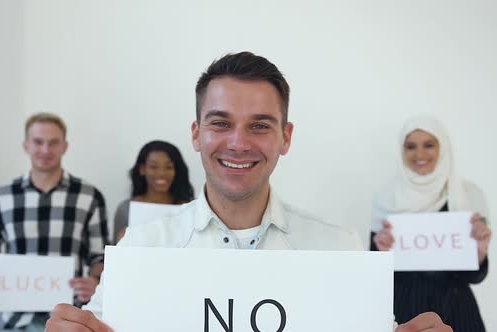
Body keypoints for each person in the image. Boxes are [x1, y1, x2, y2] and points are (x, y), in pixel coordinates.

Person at [45, 52, 452, 332]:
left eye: (259, 125)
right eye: (220, 123)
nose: (238, 143)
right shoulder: (142, 246)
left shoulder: (339, 248)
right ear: (196, 134)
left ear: (285, 137)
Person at [0, 112, 109, 331]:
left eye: (53, 143)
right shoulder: (2, 197)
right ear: (26, 145)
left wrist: (96, 281)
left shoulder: (89, 197)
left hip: (70, 320)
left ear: (65, 147)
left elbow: (100, 256)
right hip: (14, 321)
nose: (45, 150)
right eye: (38, 142)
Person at [371, 115, 492, 331]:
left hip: (456, 308)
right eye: (411, 146)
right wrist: (382, 253)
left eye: (429, 145)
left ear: (443, 148)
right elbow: (377, 275)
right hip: (404, 309)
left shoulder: (468, 196)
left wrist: (480, 254)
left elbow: (475, 275)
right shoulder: (386, 199)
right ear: (402, 151)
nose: (419, 154)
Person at [113, 140, 194, 243]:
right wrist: (120, 242)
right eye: (153, 167)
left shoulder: (190, 209)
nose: (161, 173)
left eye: (169, 167)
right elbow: (113, 255)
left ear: (176, 171)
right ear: (142, 169)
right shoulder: (125, 209)